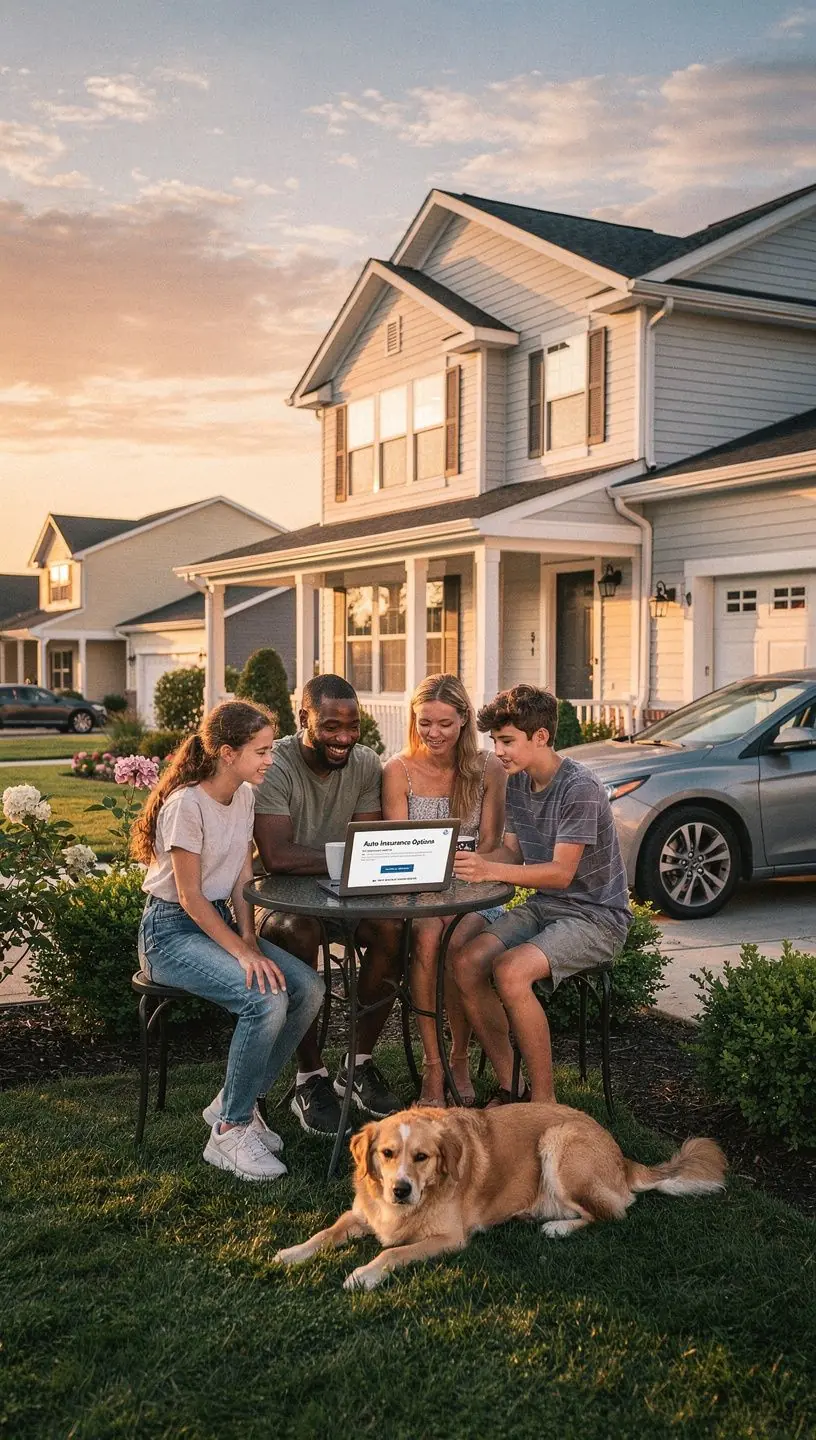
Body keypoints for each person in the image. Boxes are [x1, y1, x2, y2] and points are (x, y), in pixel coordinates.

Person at [133, 701, 324, 1182]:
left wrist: (249, 939)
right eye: (261, 751)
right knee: (265, 999)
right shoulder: (186, 805)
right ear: (226, 753)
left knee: (308, 988)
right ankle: (230, 1130)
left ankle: (235, 1100)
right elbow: (190, 897)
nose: (270, 760)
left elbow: (241, 881)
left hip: (215, 922)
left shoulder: (243, 797)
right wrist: (240, 952)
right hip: (169, 932)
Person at [451, 685, 631, 1105]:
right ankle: (512, 1085)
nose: (498, 751)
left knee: (511, 971)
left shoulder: (579, 788)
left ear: (541, 737)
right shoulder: (518, 782)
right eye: (495, 741)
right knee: (466, 962)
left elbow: (561, 873)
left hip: (596, 917)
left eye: (507, 741)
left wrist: (489, 870)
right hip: (545, 906)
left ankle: (544, 1104)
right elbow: (513, 852)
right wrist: (460, 862)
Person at [254, 674, 403, 1138]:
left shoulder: (365, 763)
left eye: (353, 726)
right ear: (304, 719)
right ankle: (310, 1077)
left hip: (343, 894)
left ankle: (357, 1064)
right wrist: (349, 858)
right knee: (299, 931)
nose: (344, 737)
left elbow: (368, 843)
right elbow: (277, 857)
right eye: (331, 726)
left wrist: (355, 861)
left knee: (394, 928)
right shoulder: (275, 764)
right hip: (277, 898)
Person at [382, 673, 506, 1107]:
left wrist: (463, 885)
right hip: (418, 890)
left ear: (464, 720)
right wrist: (432, 893)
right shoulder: (398, 770)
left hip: (475, 887)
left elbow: (490, 843)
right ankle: (433, 1066)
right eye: (424, 722)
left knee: (456, 941)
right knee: (428, 936)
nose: (433, 733)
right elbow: (398, 849)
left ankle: (459, 1057)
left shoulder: (488, 768)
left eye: (444, 724)